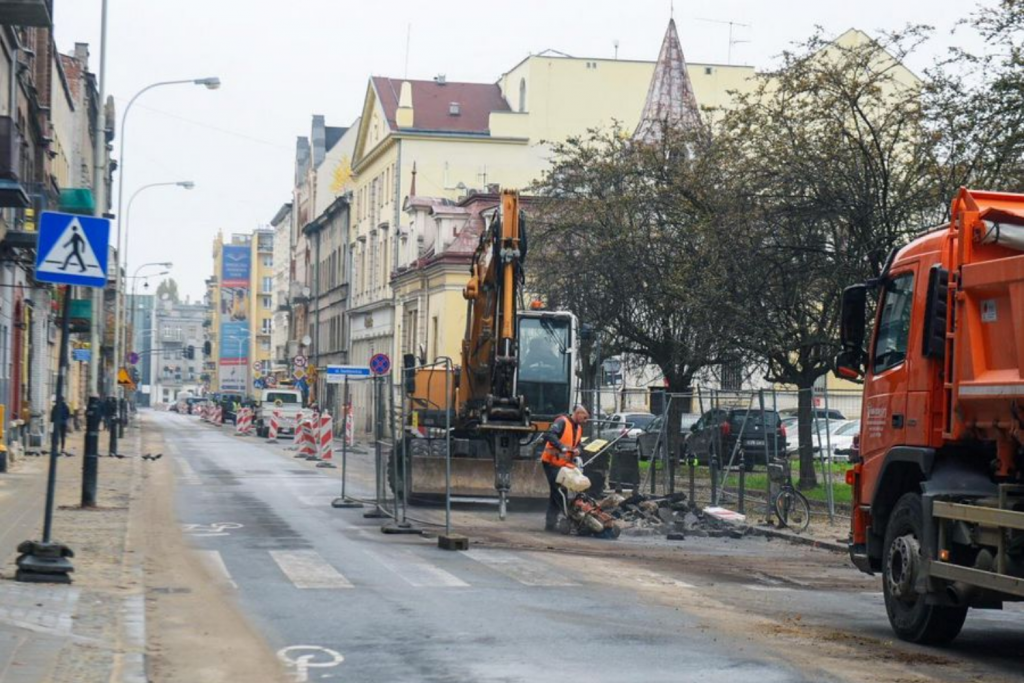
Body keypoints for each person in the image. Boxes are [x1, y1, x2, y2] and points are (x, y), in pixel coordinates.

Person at [540, 405, 589, 531]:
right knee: (559, 491)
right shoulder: (561, 422)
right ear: (578, 413)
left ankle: (550, 524)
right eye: (584, 417)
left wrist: (578, 450)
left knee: (556, 493)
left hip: (564, 464)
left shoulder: (578, 428)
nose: (585, 421)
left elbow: (578, 444)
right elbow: (549, 435)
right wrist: (561, 447)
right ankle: (570, 517)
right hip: (551, 462)